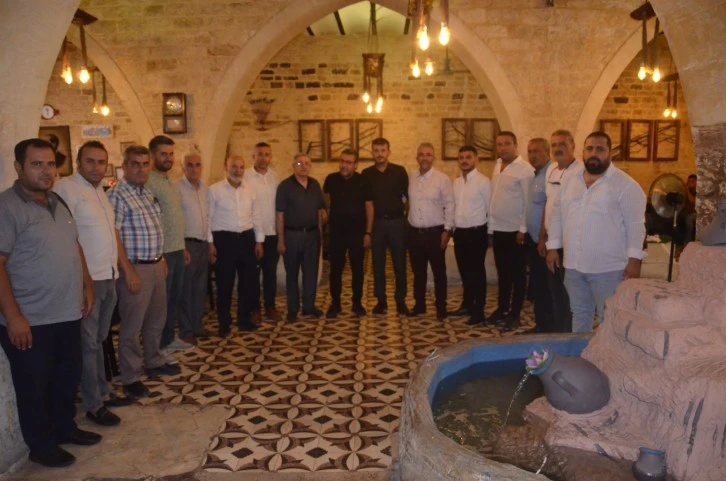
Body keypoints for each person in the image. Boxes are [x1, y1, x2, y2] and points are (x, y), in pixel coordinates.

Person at [0, 138, 98, 468]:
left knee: (66, 378)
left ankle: (64, 428)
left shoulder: (57, 201)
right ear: (18, 167)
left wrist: (86, 284)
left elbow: (75, 246)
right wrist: (13, 317)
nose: (46, 171)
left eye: (51, 164)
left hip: (67, 312)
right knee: (34, 387)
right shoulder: (6, 207)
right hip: (31, 319)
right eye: (37, 164)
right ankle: (41, 447)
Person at [54, 140, 128, 427]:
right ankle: (94, 404)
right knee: (87, 343)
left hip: (108, 275)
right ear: (78, 161)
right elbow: (68, 238)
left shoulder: (100, 191)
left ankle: (102, 391)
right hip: (89, 279)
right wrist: (85, 283)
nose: (96, 167)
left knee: (98, 340)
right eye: (90, 161)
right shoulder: (67, 189)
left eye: (101, 162)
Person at [546, 131, 647, 333]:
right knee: (579, 313)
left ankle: (608, 353)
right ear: (583, 152)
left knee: (608, 317)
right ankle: (581, 352)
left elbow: (636, 225)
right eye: (590, 148)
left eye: (600, 149)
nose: (594, 153)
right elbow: (557, 214)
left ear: (610, 153)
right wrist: (553, 247)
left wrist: (634, 262)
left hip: (608, 268)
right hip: (574, 265)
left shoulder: (626, 185)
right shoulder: (570, 181)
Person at [108, 145, 180, 400]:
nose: (141, 169)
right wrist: (127, 271)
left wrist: (161, 258)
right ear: (125, 167)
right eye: (135, 164)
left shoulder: (146, 192)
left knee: (156, 319)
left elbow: (154, 228)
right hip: (135, 267)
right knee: (132, 325)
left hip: (155, 264)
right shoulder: (117, 195)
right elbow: (113, 234)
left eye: (145, 164)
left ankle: (153, 360)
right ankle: (130, 376)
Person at [146, 135, 193, 353]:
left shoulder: (169, 181)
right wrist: (161, 254)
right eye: (163, 154)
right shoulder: (149, 182)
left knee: (174, 298)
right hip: (162, 253)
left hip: (176, 249)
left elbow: (173, 217)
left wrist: (182, 246)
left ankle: (168, 338)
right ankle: (156, 346)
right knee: (160, 303)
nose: (168, 158)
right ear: (152, 155)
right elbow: (153, 220)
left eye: (171, 154)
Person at [208, 155, 264, 337]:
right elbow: (208, 218)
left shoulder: (250, 190)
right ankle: (224, 323)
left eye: (241, 167)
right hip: (224, 241)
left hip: (247, 239)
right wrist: (210, 243)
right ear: (226, 167)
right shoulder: (214, 190)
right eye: (234, 166)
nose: (237, 170)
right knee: (225, 284)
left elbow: (256, 216)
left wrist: (259, 241)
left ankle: (244, 319)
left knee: (247, 283)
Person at [487, 131, 534, 330]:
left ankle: (515, 314)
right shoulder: (498, 166)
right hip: (499, 230)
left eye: (507, 143)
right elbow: (494, 199)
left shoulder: (525, 170)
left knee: (518, 275)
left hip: (516, 232)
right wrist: (491, 229)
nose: (503, 147)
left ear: (516, 145)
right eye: (499, 144)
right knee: (503, 273)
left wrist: (522, 229)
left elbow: (528, 202)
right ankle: (502, 309)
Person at [361, 137, 411, 316]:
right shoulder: (366, 174)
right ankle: (381, 301)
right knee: (378, 265)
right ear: (372, 153)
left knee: (400, 264)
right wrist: (368, 231)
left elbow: (407, 198)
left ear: (388, 152)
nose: (379, 154)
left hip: (397, 223)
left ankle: (401, 301)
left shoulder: (400, 171)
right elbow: (366, 203)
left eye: (383, 150)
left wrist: (405, 220)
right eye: (376, 150)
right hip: (377, 224)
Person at [407, 143, 455, 320]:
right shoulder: (411, 177)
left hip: (435, 233)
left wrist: (447, 230)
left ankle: (441, 307)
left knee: (438, 272)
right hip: (414, 233)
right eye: (421, 154)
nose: (424, 158)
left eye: (428, 154)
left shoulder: (442, 179)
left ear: (433, 157)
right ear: (417, 157)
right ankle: (419, 305)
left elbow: (450, 205)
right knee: (418, 272)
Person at [541, 129, 583, 332]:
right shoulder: (550, 169)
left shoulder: (581, 172)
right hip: (551, 239)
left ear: (573, 146)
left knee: (569, 293)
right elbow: (548, 204)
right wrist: (543, 237)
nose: (558, 148)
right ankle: (557, 331)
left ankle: (568, 334)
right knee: (554, 291)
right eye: (554, 145)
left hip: (568, 242)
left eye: (563, 144)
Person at [276, 153, 326, 322]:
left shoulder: (315, 185)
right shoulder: (284, 186)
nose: (303, 166)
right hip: (291, 236)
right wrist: (281, 240)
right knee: (292, 274)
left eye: (307, 163)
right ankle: (292, 309)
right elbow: (280, 215)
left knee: (311, 273)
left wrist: (320, 236)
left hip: (312, 235)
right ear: (293, 166)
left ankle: (309, 306)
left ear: (310, 166)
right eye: (299, 163)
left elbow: (319, 212)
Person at [323, 148, 368, 318]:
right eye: (342, 161)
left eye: (349, 162)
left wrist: (368, 232)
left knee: (358, 270)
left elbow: (369, 207)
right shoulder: (331, 179)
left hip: (357, 233)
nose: (344, 165)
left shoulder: (363, 181)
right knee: (335, 270)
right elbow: (325, 202)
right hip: (337, 234)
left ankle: (357, 303)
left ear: (355, 165)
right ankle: (335, 304)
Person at [452, 145, 492, 326]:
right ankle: (467, 304)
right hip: (460, 233)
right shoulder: (456, 182)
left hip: (477, 232)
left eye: (468, 157)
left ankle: (479, 311)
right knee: (464, 271)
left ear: (476, 159)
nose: (464, 161)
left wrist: (490, 234)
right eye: (461, 158)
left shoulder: (483, 182)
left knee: (477, 273)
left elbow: (490, 209)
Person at [176, 153, 212, 344]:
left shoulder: (205, 189)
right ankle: (186, 329)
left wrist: (210, 243)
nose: (194, 169)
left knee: (200, 289)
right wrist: (181, 247)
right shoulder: (177, 188)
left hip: (203, 243)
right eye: (189, 165)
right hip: (187, 244)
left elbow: (208, 217)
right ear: (183, 167)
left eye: (198, 165)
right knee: (186, 290)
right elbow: (175, 220)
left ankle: (197, 326)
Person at [245, 142, 282, 322]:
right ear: (254, 156)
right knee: (252, 274)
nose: (263, 158)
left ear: (270, 157)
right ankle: (254, 309)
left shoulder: (275, 178)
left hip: (272, 233)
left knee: (270, 273)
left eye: (267, 154)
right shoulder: (245, 178)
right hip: (252, 235)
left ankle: (270, 306)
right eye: (260, 154)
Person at [523, 138, 553, 332]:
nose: (532, 155)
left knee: (546, 289)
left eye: (537, 151)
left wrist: (542, 238)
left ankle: (547, 328)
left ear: (547, 152)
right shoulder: (537, 175)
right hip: (534, 240)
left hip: (544, 243)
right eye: (530, 151)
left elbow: (549, 209)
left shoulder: (550, 175)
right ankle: (541, 325)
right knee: (539, 287)